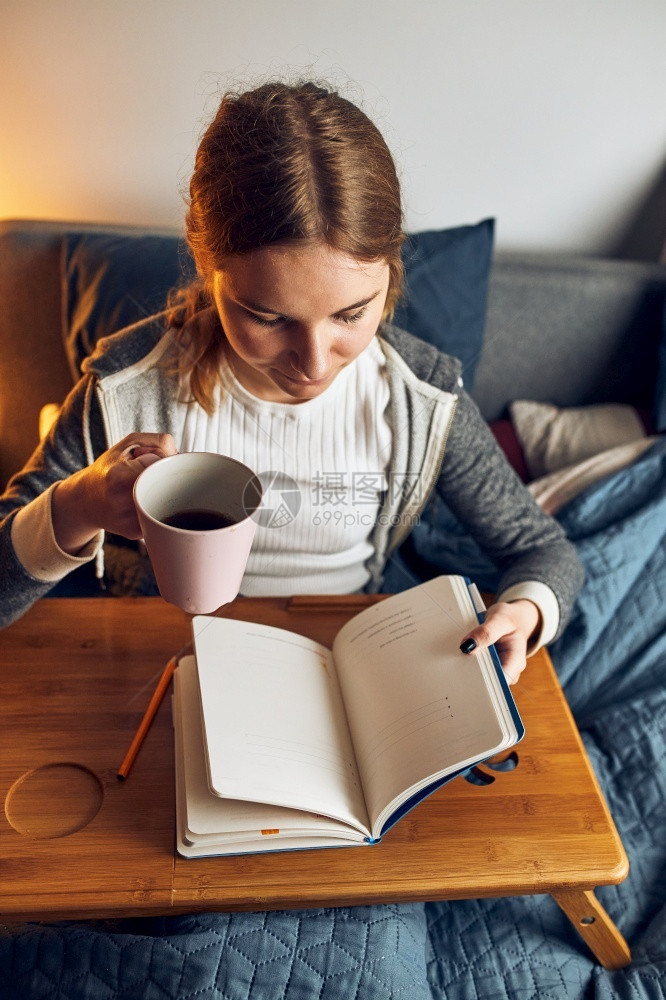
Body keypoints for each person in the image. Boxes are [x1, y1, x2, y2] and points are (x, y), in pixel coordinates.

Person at [0, 80, 583, 683]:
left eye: (351, 315)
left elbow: (544, 551)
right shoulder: (127, 387)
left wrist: (526, 609)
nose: (314, 363)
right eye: (267, 317)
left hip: (355, 660)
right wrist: (78, 505)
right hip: (177, 658)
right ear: (209, 267)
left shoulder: (422, 397)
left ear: (391, 272)